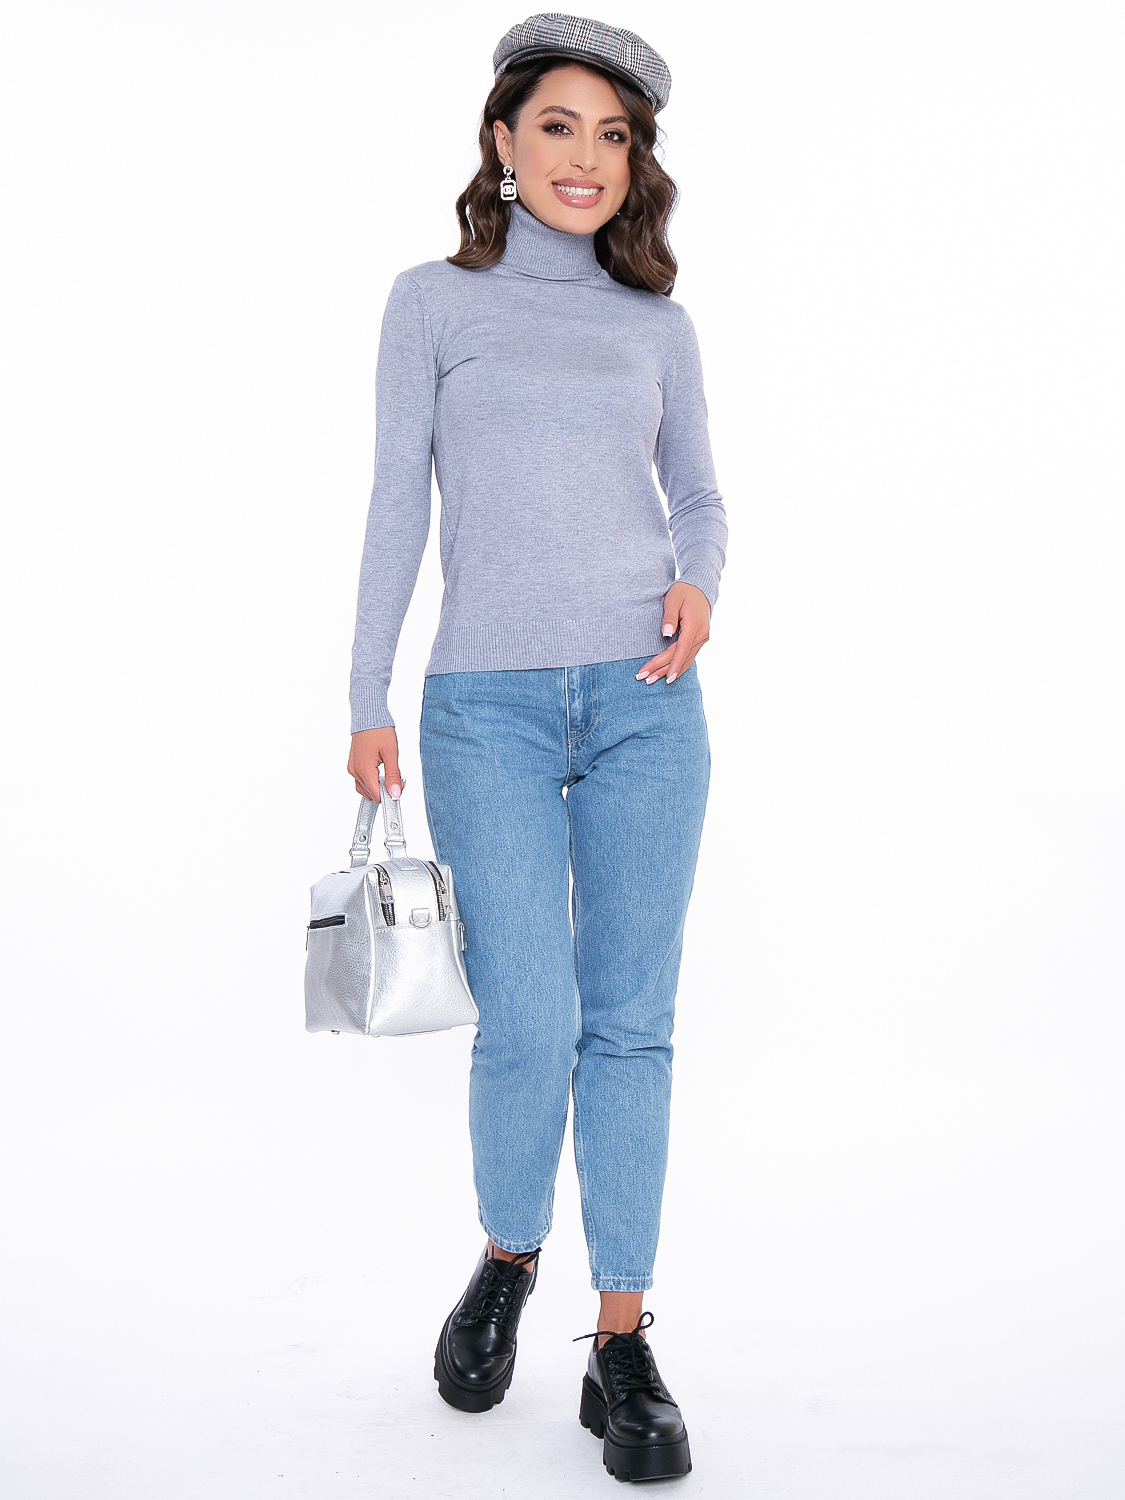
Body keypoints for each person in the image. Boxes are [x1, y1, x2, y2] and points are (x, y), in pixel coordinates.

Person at [346, 13, 727, 1484]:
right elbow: (399, 501)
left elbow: (700, 496)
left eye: (612, 136)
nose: (585, 157)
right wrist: (366, 695)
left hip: (646, 699)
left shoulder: (657, 326)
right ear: (503, 142)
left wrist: (701, 582)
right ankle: (508, 1255)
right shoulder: (431, 303)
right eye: (558, 126)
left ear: (635, 164)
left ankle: (619, 1340)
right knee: (530, 1020)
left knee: (631, 1021)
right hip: (483, 707)